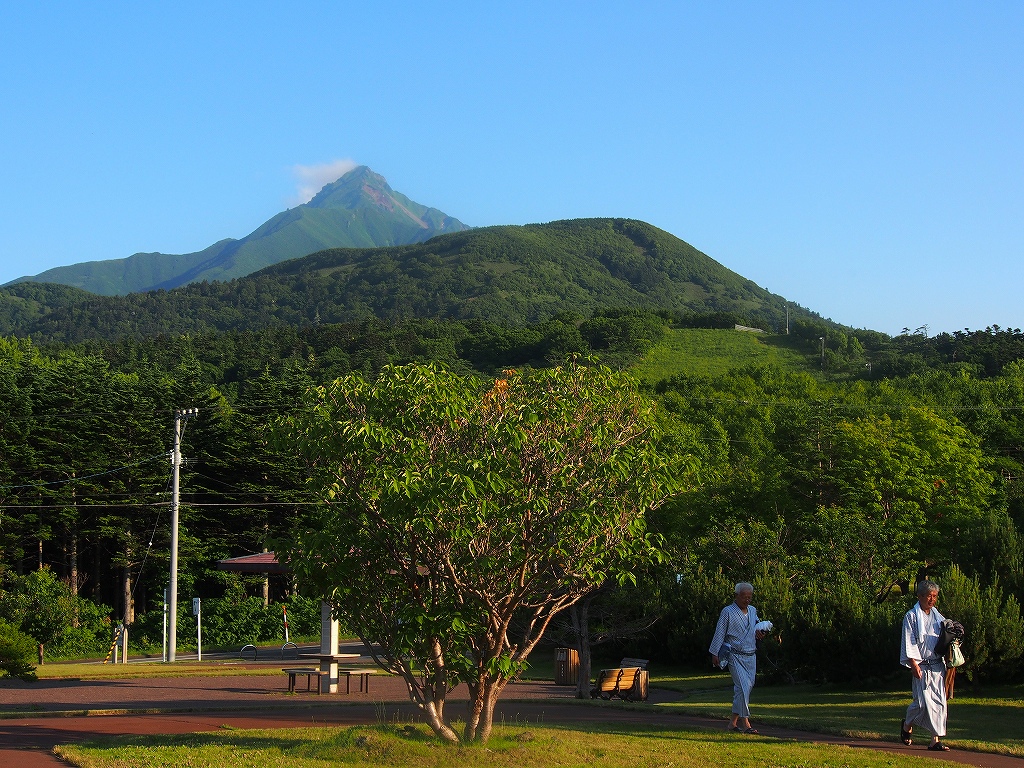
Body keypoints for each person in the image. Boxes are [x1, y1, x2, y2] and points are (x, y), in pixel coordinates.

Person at [710, 582, 768, 734]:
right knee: (743, 687)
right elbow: (720, 632)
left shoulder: (753, 610)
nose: (747, 600)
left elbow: (756, 626)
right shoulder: (727, 612)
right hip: (735, 656)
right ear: (737, 595)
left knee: (745, 689)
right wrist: (714, 653)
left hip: (751, 655)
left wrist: (761, 632)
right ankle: (746, 723)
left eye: (750, 597)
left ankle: (732, 723)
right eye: (744, 597)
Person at [900, 579, 951, 752]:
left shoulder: (938, 617)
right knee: (921, 704)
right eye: (928, 596)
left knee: (938, 703)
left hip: (937, 665)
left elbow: (947, 635)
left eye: (934, 596)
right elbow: (909, 640)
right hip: (921, 665)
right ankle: (907, 725)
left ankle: (934, 741)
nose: (931, 599)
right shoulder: (911, 616)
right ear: (919, 596)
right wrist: (913, 663)